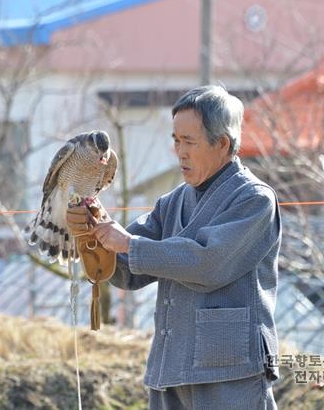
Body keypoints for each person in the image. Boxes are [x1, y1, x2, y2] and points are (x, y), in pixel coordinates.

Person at [67, 85, 281, 409]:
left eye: (189, 142)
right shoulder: (172, 202)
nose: (179, 151)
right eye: (176, 140)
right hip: (170, 370)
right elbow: (127, 272)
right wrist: (93, 232)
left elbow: (209, 263)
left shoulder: (254, 199)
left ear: (222, 143)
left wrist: (127, 243)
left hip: (229, 373)